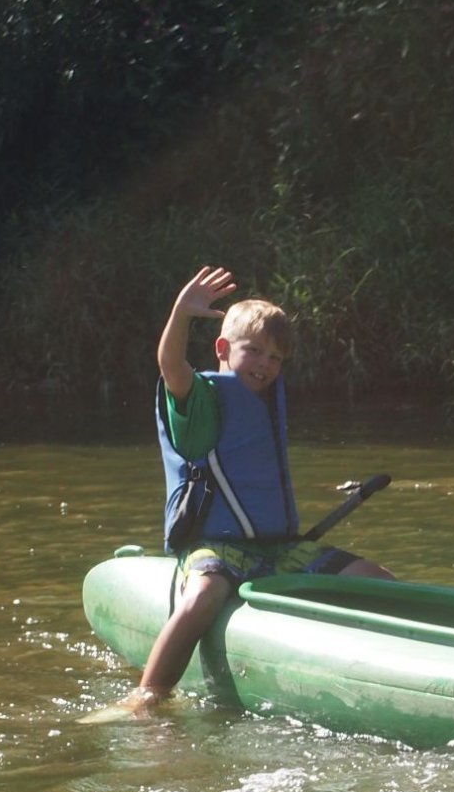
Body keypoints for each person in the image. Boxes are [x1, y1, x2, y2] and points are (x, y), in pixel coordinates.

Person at [90, 266, 393, 720]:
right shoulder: (200, 401)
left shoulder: (266, 400)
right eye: (253, 351)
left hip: (279, 548)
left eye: (275, 358)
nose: (265, 365)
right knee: (204, 596)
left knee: (377, 578)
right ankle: (146, 697)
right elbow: (171, 366)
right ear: (223, 349)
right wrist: (181, 314)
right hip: (216, 548)